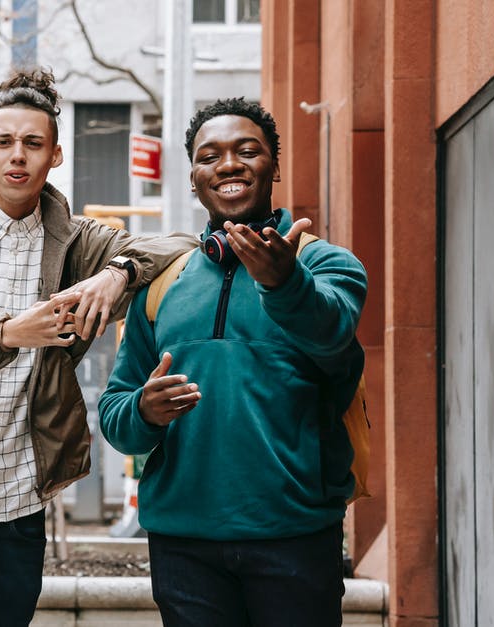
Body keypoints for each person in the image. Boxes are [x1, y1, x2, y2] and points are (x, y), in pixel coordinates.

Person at [0, 68, 197, 626]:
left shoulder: (79, 242)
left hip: (19, 507)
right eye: (5, 143)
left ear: (54, 156)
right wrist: (8, 334)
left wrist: (119, 272)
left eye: (33, 144)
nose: (18, 156)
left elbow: (184, 245)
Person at [98, 97, 367, 627]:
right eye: (209, 156)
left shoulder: (327, 263)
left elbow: (333, 335)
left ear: (275, 166)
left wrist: (284, 283)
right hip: (183, 545)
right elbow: (115, 414)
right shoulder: (161, 284)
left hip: (294, 536)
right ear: (194, 176)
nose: (228, 165)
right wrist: (144, 412)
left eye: (248, 151)